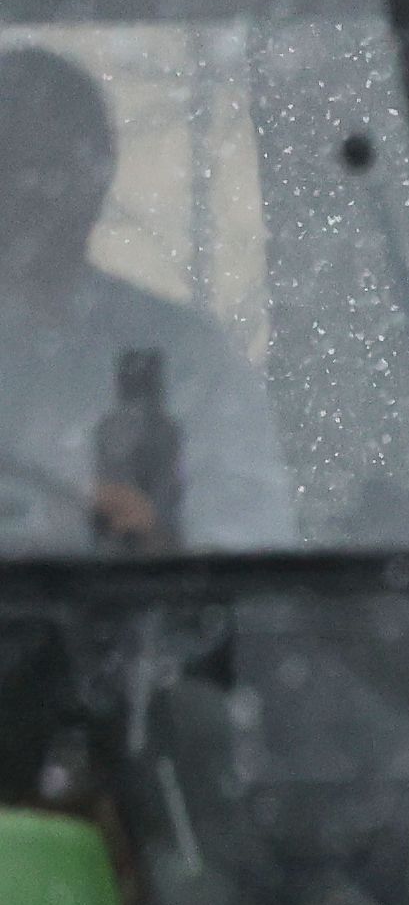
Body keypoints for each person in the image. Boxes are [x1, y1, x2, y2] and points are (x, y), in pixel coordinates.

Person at [0, 43, 293, 554]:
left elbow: (251, 555)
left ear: (99, 174)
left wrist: (143, 544)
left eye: (51, 165)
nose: (31, 191)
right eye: (11, 162)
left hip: (132, 629)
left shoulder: (184, 361)